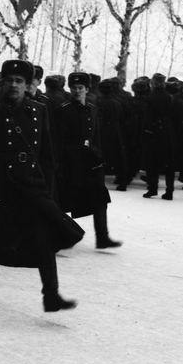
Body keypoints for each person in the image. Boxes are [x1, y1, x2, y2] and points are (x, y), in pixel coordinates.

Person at [0, 60, 81, 311]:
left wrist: (48, 190)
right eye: (9, 80)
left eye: (19, 81)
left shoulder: (38, 109)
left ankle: (51, 294)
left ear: (28, 84)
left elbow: (46, 152)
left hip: (31, 184)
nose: (14, 85)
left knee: (44, 238)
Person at [56, 72, 121, 249]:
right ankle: (61, 236)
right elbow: (59, 139)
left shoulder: (92, 108)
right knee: (64, 200)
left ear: (87, 89)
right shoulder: (64, 110)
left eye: (80, 88)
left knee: (100, 198)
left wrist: (98, 155)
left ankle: (102, 237)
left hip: (90, 161)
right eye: (74, 88)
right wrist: (59, 164)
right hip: (70, 162)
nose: (77, 91)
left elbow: (95, 135)